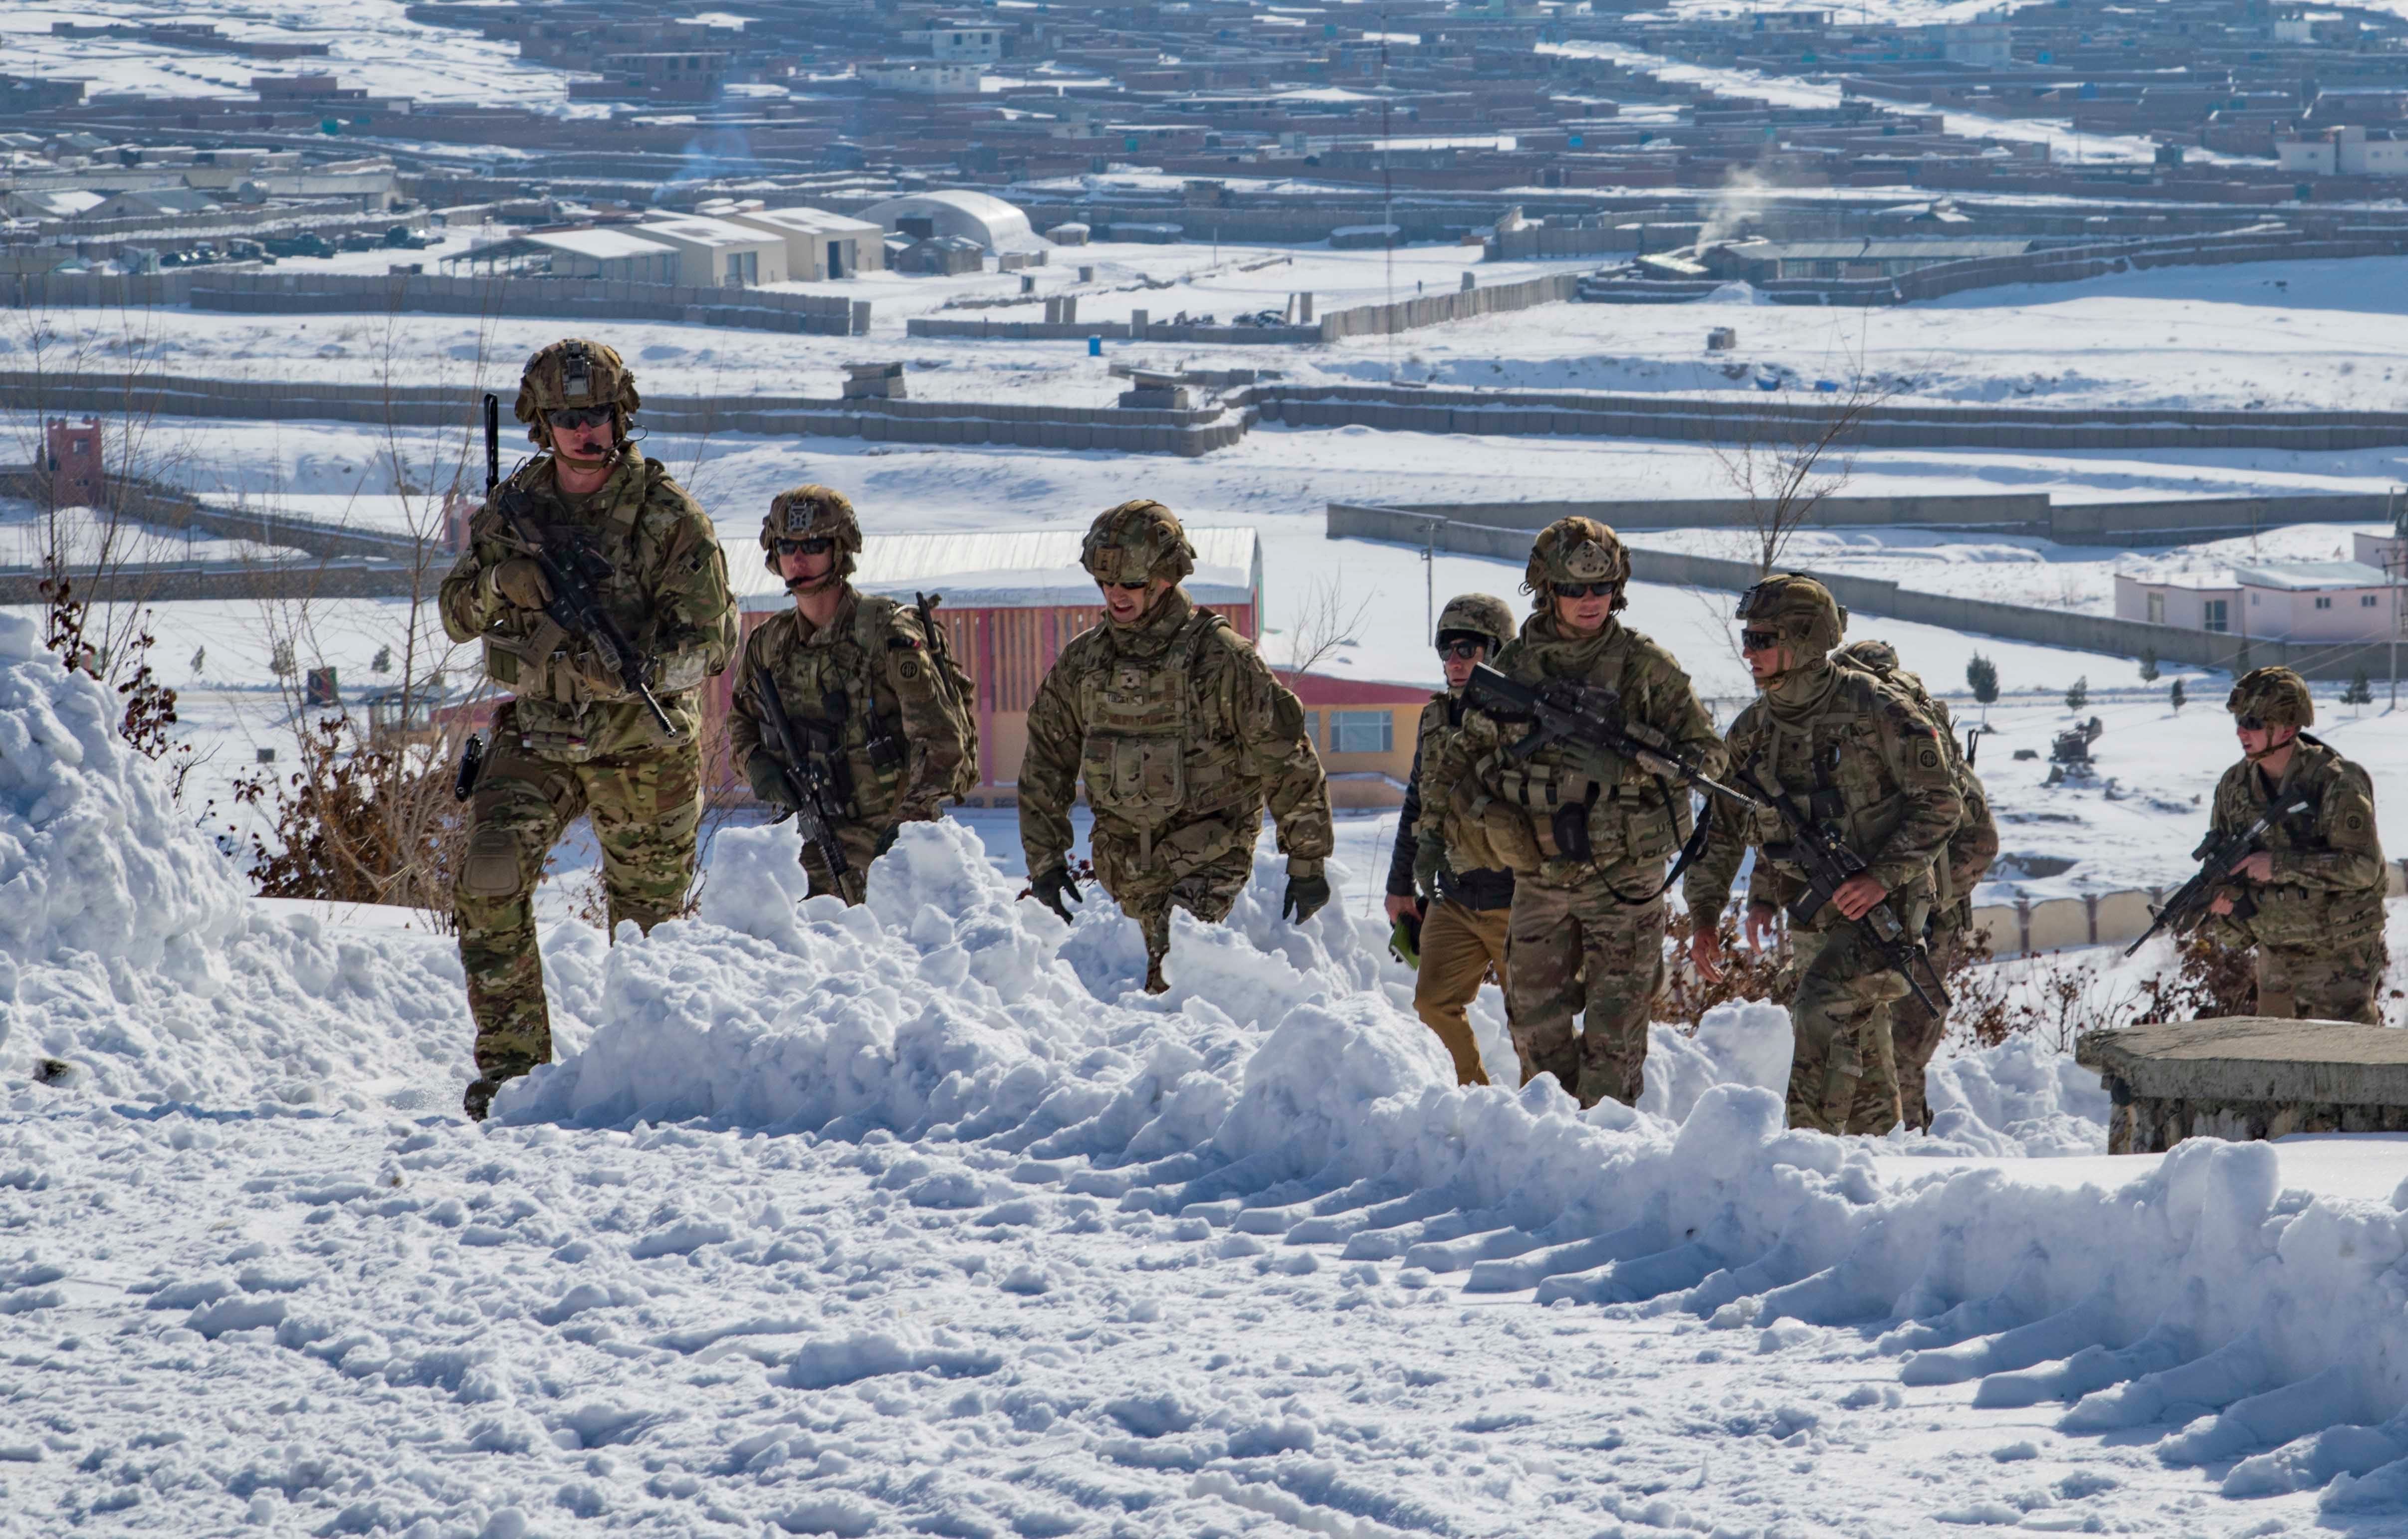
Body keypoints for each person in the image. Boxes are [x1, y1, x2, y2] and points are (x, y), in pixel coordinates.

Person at [439, 339, 738, 1121]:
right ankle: (512, 1075)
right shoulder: (514, 510)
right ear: (542, 423)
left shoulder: (670, 517)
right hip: (538, 736)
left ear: (622, 414)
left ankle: (649, 1076)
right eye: (569, 418)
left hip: (641, 741)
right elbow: (454, 612)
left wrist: (634, 668)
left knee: (648, 931)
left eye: (599, 414)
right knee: (489, 877)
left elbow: (712, 643)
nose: (586, 432)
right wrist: (501, 579)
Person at [1421, 518, 1724, 1109]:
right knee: (1536, 1032)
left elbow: (1709, 756)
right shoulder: (1515, 666)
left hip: (1625, 880)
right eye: (1575, 589)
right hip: (1540, 877)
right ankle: (1554, 1151)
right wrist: (1431, 834)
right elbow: (1464, 753)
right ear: (1545, 588)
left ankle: (1609, 1156)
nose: (1591, 601)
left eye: (1603, 587)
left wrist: (1629, 766)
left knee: (1615, 1039)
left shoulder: (1645, 666)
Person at [1018, 500, 1333, 994]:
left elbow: (1286, 757)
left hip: (1208, 854)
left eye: (1131, 584)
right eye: (1106, 584)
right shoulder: (1085, 663)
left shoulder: (1221, 657)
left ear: (1166, 576)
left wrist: (1307, 861)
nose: (1116, 595)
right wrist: (1046, 861)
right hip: (1125, 865)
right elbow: (1045, 762)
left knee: (1170, 983)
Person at [1686, 577, 1961, 1137]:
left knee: (1821, 1006)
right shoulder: (1755, 731)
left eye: (1763, 638)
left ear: (1806, 640)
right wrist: (1704, 917)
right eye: (1748, 637)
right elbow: (1721, 831)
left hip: (1886, 907)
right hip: (1814, 908)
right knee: (1856, 1032)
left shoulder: (1879, 710)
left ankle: (1803, 1153)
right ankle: (1878, 1156)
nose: (1749, 651)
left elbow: (1942, 802)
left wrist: (1881, 878)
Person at [725, 485, 978, 900]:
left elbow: (940, 743)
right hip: (806, 833)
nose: (798, 559)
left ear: (840, 551)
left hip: (889, 839)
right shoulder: (769, 643)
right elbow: (742, 720)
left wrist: (905, 831)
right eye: (787, 546)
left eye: (814, 546)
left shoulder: (888, 635)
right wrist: (755, 764)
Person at [1833, 638, 1998, 1130]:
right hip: (1869, 914)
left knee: (1901, 1050)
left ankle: (1904, 1149)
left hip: (1924, 927)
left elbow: (1980, 841)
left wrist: (1924, 902)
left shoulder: (1925, 749)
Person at [2200, 666, 2387, 1024]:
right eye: (2239, 722)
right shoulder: (2234, 785)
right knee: (2279, 1067)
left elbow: (2363, 868)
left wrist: (2279, 865)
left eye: (2254, 722)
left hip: (2337, 958)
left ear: (2287, 727)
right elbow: (2225, 866)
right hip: (2275, 958)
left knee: (2346, 1066)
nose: (2242, 732)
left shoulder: (2336, 782)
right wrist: (2222, 908)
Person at [1384, 593, 1519, 1086]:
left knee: (1534, 1022)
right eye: (1446, 650)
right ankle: (1476, 1094)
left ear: (1498, 649)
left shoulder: (1530, 719)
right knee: (1433, 1003)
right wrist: (1400, 885)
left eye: (1467, 648)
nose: (1454, 661)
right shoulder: (1436, 718)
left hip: (1517, 897)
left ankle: (1544, 1122)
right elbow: (1416, 804)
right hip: (1453, 895)